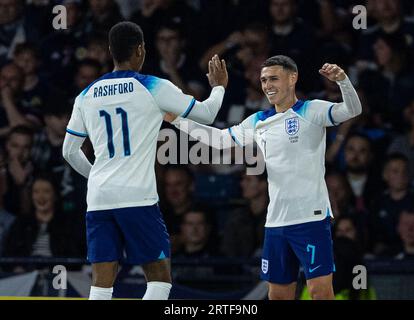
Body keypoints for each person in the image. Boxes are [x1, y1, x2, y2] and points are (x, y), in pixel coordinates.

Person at [165, 55, 362, 300]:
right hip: (276, 222)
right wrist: (177, 120)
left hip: (310, 219)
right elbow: (218, 139)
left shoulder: (312, 110)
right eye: (263, 80)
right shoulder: (259, 120)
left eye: (273, 79)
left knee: (320, 292)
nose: (267, 85)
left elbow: (353, 109)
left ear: (293, 78)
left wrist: (343, 81)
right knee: (278, 295)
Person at [62, 21, 228, 300]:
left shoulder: (86, 94)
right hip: (137, 197)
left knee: (101, 283)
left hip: (100, 197)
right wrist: (219, 87)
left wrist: (97, 177)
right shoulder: (153, 86)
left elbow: (69, 151)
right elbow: (206, 115)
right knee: (160, 279)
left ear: (110, 51)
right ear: (140, 50)